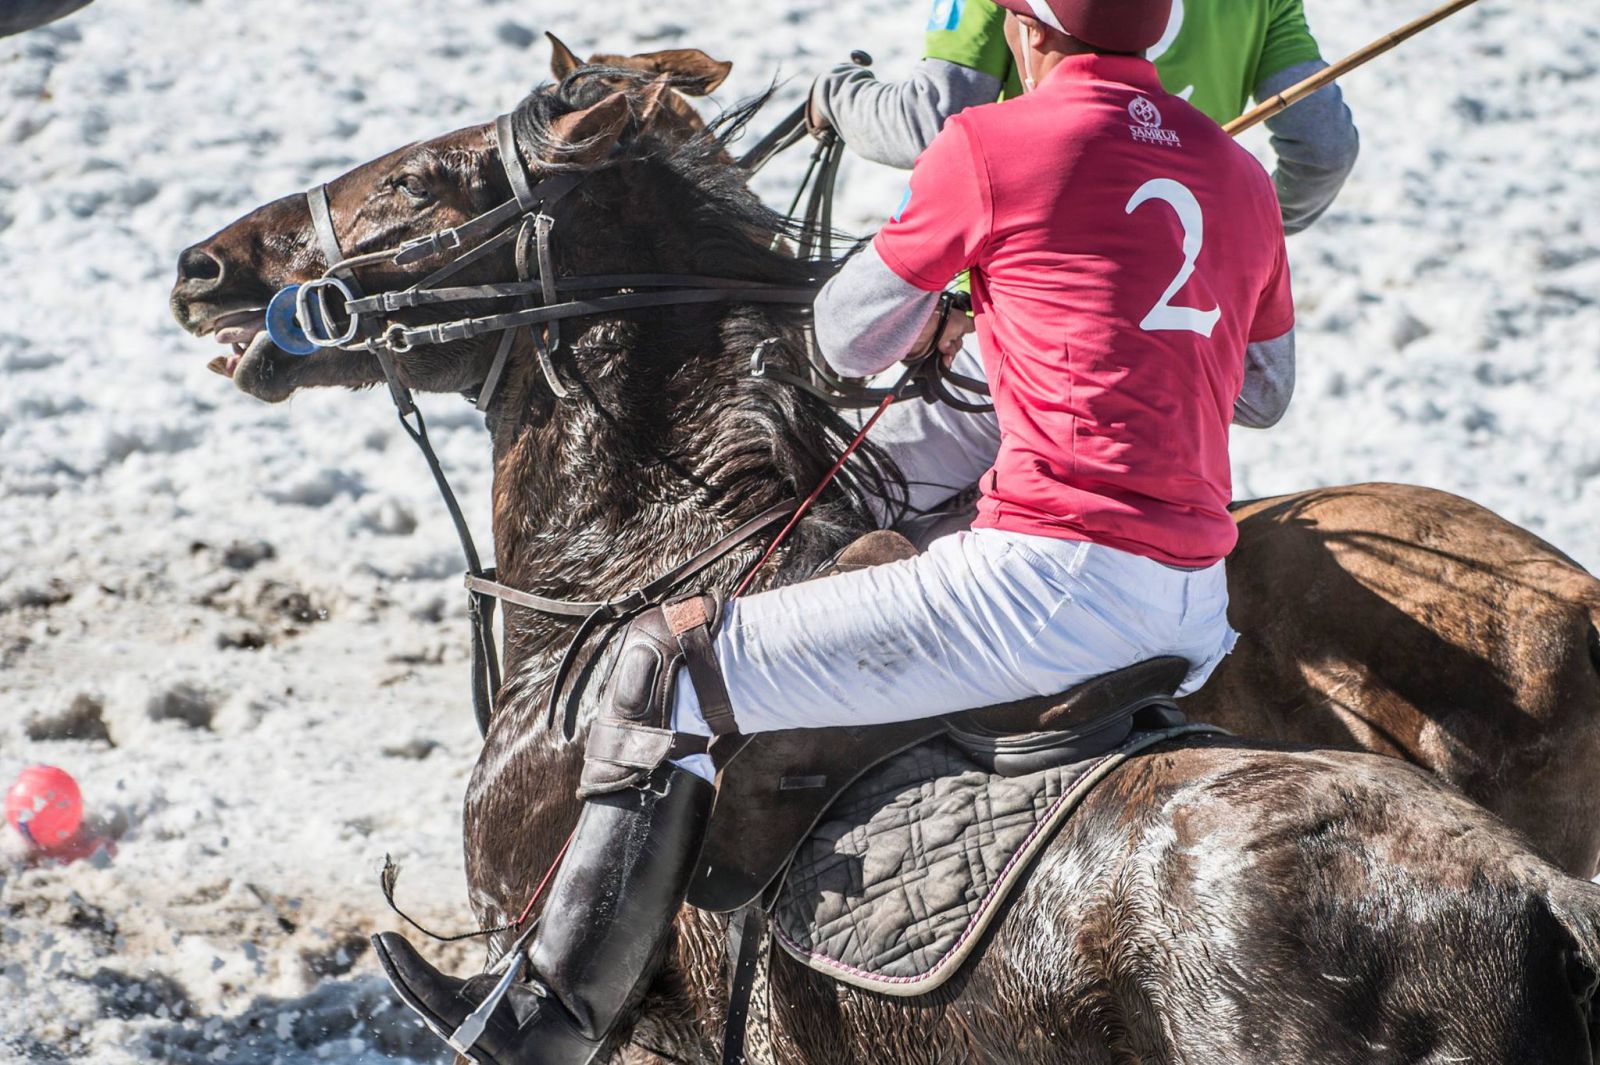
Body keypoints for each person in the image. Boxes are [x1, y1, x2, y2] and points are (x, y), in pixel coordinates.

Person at [374, 1, 1298, 1061]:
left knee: (664, 660)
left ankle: (552, 1019)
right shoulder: (1237, 173)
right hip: (1192, 604)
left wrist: (970, 308)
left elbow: (844, 340)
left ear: (1024, 30)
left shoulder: (988, 143)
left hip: (1044, 589)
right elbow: (1263, 391)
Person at [810, 0, 1359, 237]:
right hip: (1175, 303)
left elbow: (924, 123)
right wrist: (1237, 236)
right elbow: (1325, 149)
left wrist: (836, 92)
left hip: (1009, 303)